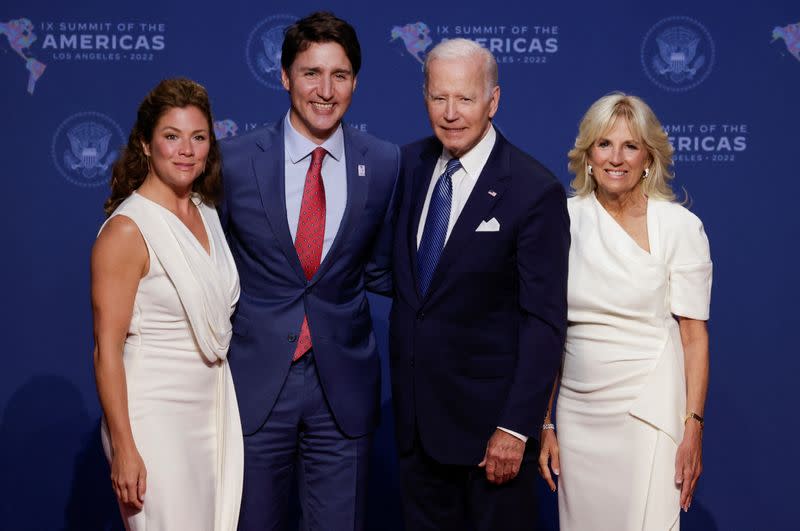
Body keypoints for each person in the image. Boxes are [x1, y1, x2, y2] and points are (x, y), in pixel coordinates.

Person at [218, 11, 399, 531]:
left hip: (342, 390)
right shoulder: (233, 161)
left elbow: (386, 267)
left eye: (339, 75)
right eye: (311, 73)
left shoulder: (383, 162)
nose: (325, 90)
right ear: (284, 77)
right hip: (252, 388)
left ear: (355, 81)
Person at [389, 38, 569, 530]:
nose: (450, 113)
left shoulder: (534, 190)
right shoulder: (403, 168)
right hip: (415, 432)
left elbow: (544, 322)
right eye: (438, 97)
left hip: (492, 439)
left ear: (493, 101)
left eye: (465, 98)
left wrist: (516, 427)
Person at [538, 92, 712, 530]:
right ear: (588, 155)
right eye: (604, 144)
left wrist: (693, 426)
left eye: (630, 146)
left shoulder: (679, 227)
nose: (617, 158)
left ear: (648, 157)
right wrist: (545, 421)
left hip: (650, 410)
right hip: (579, 415)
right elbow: (548, 329)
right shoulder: (561, 220)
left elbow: (694, 337)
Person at [91, 78, 242, 530]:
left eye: (198, 138)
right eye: (171, 137)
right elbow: (106, 350)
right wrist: (124, 447)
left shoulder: (206, 211)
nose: (186, 150)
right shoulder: (127, 231)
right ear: (145, 143)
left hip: (212, 409)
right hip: (152, 418)